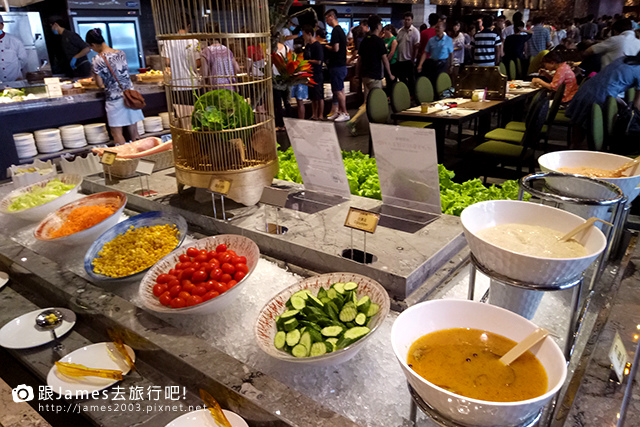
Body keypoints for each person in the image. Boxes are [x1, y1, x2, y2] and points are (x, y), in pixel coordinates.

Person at [85, 28, 142, 145]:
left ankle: (124, 159)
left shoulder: (97, 59)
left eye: (91, 47)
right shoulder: (121, 53)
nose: (92, 50)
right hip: (130, 95)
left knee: (117, 133)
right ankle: (138, 155)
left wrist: (95, 76)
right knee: (134, 131)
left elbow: (100, 84)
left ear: (94, 44)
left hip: (114, 98)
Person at [346, 14, 394, 136]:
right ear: (378, 26)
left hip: (365, 76)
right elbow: (385, 60)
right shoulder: (379, 41)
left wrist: (357, 75)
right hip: (374, 76)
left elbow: (360, 60)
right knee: (373, 101)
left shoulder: (365, 41)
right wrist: (390, 74)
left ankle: (369, 124)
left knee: (368, 101)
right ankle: (355, 121)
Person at [565, 54, 640, 127]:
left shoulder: (624, 59)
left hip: (587, 89)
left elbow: (609, 81)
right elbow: (637, 105)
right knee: (591, 129)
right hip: (600, 98)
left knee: (579, 126)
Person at [324, 9, 349, 122]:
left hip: (337, 65)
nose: (326, 21)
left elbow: (336, 48)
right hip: (342, 65)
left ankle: (344, 112)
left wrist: (325, 46)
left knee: (338, 91)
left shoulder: (335, 31)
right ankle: (339, 111)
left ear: (331, 17)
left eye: (326, 18)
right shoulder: (341, 31)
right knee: (341, 90)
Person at [302, 25, 324, 120]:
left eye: (304, 35)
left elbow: (319, 61)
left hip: (317, 73)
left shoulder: (317, 45)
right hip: (310, 73)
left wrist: (308, 61)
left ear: (309, 34)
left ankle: (320, 115)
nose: (303, 37)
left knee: (319, 95)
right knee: (313, 96)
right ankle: (314, 114)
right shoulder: (308, 46)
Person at [395, 12, 420, 94]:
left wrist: (413, 59)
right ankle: (404, 93)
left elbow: (416, 46)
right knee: (401, 78)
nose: (406, 21)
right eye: (405, 20)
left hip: (409, 59)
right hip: (400, 59)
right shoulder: (400, 31)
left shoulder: (415, 32)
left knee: (411, 79)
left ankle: (412, 95)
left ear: (412, 20)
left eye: (408, 20)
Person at [0, 15, 27, 82]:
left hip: (15, 80)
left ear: (2, 26)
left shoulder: (14, 41)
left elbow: (23, 59)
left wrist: (15, 69)